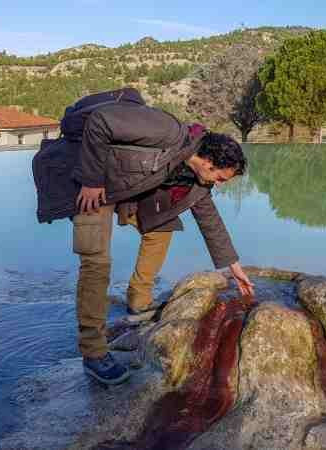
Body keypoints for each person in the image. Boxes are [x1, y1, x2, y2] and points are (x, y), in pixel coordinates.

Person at [70, 95, 254, 386]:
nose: (219, 184)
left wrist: (234, 267)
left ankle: (138, 300)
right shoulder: (165, 130)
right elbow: (100, 121)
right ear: (207, 162)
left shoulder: (197, 181)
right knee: (96, 261)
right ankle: (93, 353)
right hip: (93, 184)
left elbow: (210, 221)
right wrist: (91, 180)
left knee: (162, 227)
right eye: (220, 177)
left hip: (129, 192)